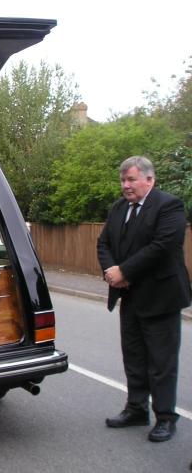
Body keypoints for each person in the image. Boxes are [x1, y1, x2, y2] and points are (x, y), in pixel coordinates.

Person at [97, 155, 191, 442]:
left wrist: (124, 270)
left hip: (161, 297)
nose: (126, 185)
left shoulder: (169, 206)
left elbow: (163, 246)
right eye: (123, 180)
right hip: (130, 297)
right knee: (134, 357)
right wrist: (112, 273)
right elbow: (104, 243)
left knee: (161, 362)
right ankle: (137, 408)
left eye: (131, 179)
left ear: (149, 180)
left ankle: (165, 417)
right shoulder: (118, 208)